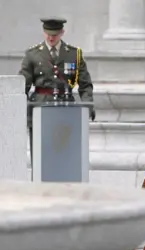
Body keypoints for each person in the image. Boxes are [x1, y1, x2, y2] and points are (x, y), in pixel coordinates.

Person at [19, 17, 95, 166]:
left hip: (65, 108)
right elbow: (23, 85)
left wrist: (88, 104)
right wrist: (18, 109)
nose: (51, 37)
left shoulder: (74, 54)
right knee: (41, 155)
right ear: (43, 32)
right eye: (48, 33)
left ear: (62, 33)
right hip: (40, 107)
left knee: (65, 154)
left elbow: (85, 84)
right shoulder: (32, 55)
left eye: (54, 34)